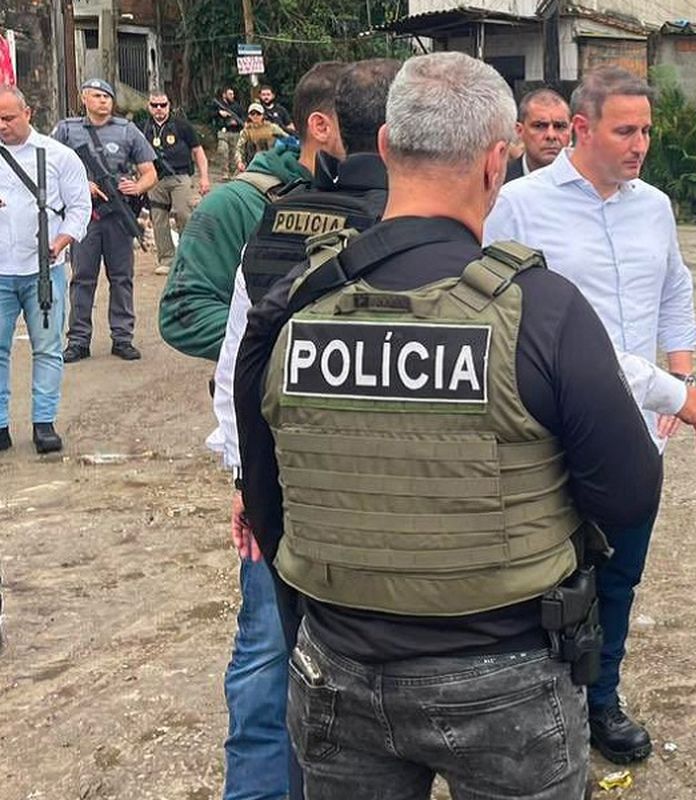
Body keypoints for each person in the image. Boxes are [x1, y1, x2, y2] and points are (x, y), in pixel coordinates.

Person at [234, 50, 661, 798]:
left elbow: (267, 503)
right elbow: (628, 497)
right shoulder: (544, 310)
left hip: (336, 664)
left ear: (389, 147)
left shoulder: (294, 305)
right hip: (506, 673)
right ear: (499, 161)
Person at [485, 64, 696, 766]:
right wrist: (673, 393)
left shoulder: (652, 206)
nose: (640, 144)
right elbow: (520, 322)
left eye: (646, 131)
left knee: (620, 576)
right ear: (582, 130)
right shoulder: (520, 205)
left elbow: (675, 290)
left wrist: (680, 374)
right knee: (545, 577)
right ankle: (535, 709)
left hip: (635, 433)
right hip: (547, 430)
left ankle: (600, 702)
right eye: (626, 130)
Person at [157, 60, 346, 800]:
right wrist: (281, 352)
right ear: (322, 127)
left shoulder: (376, 199)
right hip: (268, 457)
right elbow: (183, 311)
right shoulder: (241, 205)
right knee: (269, 650)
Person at [0, 85, 91, 453]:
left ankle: (44, 423)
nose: (2, 126)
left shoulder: (59, 156)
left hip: (44, 270)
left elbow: (80, 207)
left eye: (8, 118)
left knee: (48, 348)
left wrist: (63, 240)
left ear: (28, 114)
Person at [52, 77, 157, 363]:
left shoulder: (127, 131)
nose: (103, 101)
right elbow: (49, 167)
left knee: (121, 278)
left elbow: (149, 171)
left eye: (107, 97)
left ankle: (122, 338)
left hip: (118, 215)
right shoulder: (66, 130)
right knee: (83, 277)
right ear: (84, 98)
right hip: (83, 216)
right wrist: (79, 184)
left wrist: (138, 186)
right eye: (97, 96)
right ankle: (78, 340)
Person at [141, 92, 209, 275]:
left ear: (169, 105)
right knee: (158, 218)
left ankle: (189, 257)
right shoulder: (144, 128)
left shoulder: (182, 125)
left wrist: (204, 177)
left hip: (180, 176)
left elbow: (198, 152)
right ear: (149, 106)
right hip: (155, 179)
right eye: (155, 105)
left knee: (183, 213)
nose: (159, 109)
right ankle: (167, 259)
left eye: (163, 105)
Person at [506, 88, 571, 180]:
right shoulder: (498, 183)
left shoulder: (589, 183)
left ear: (571, 131)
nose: (551, 135)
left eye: (559, 126)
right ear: (520, 131)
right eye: (539, 126)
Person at [213, 87, 246, 178]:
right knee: (223, 151)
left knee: (234, 153)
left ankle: (233, 172)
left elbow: (243, 118)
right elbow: (210, 115)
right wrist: (219, 113)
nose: (232, 96)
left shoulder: (237, 106)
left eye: (233, 94)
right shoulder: (218, 105)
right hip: (223, 131)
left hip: (235, 132)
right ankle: (225, 173)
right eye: (230, 94)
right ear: (224, 95)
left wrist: (236, 123)